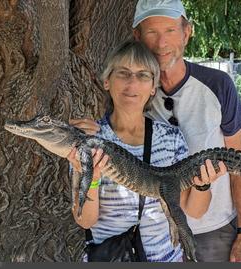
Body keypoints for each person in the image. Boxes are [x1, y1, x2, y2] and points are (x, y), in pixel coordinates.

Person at [67, 40, 227, 262]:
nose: (132, 83)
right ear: (106, 81)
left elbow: (194, 210)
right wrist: (92, 179)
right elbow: (85, 220)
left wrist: (202, 184)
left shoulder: (170, 138)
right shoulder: (90, 140)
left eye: (143, 75)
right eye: (123, 73)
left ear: (153, 86)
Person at [131, 0, 241, 262]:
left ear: (186, 33)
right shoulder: (131, 92)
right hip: (157, 234)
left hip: (215, 231)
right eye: (152, 32)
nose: (161, 43)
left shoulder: (218, 85)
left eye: (170, 31)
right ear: (137, 37)